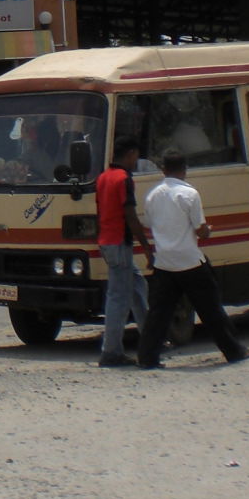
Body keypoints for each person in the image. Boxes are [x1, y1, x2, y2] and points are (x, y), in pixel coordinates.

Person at [136, 152, 249, 369]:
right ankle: (234, 350)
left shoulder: (152, 195)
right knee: (211, 309)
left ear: (163, 169)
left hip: (164, 261)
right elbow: (200, 230)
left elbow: (148, 223)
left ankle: (147, 357)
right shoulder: (189, 194)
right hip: (189, 261)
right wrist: (207, 231)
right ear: (184, 169)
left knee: (159, 313)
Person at [95, 137, 152, 367]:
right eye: (135, 155)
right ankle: (111, 352)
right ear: (129, 154)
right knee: (118, 298)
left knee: (137, 286)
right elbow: (130, 216)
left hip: (107, 241)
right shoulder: (124, 179)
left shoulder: (103, 177)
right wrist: (147, 247)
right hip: (119, 242)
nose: (136, 160)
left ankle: (150, 339)